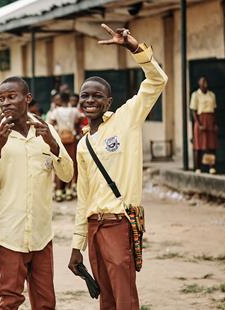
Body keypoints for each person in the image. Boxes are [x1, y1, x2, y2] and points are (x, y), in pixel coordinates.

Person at [67, 24, 167, 310]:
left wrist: (134, 48)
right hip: (94, 228)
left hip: (119, 224)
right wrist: (78, 246)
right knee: (107, 299)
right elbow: (82, 198)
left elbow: (157, 81)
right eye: (85, 96)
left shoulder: (126, 120)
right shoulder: (83, 145)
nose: (90, 100)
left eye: (97, 96)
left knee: (125, 297)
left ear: (108, 101)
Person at [0, 76, 73, 309]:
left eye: (12, 96)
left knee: (45, 302)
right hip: (9, 234)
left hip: (41, 234)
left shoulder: (46, 130)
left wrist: (52, 144)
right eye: (2, 99)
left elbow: (68, 175)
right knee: (10, 300)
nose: (6, 103)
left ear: (27, 98)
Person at [48, 92, 83, 201]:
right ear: (69, 99)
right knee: (71, 162)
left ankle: (58, 191)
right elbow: (80, 120)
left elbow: (52, 122)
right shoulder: (74, 111)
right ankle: (69, 190)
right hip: (71, 139)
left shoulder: (56, 111)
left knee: (59, 162)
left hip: (60, 138)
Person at [190, 77, 217, 174]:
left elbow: (214, 111)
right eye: (203, 82)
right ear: (199, 84)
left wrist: (214, 123)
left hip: (210, 120)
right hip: (200, 120)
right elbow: (193, 111)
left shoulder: (212, 95)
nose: (205, 84)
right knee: (199, 145)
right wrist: (199, 124)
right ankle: (198, 168)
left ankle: (211, 167)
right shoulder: (195, 95)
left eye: (206, 82)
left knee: (210, 145)